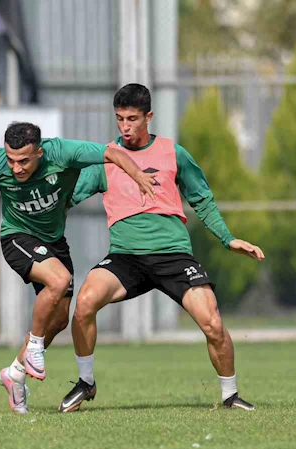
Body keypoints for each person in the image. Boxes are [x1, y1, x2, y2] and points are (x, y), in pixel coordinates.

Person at [0, 104, 158, 414]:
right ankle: (35, 347)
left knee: (60, 320)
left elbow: (113, 154)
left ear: (39, 152)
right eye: (11, 160)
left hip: (54, 243)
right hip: (17, 237)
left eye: (24, 161)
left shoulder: (62, 153)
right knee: (60, 280)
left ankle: (14, 374)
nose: (16, 168)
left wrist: (138, 176)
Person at [58, 84, 264, 413]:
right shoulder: (106, 159)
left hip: (174, 256)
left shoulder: (173, 153)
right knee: (84, 304)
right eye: (119, 119)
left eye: (132, 119)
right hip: (126, 258)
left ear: (149, 117)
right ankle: (86, 382)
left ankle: (230, 395)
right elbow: (67, 199)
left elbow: (203, 200)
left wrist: (228, 239)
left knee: (212, 323)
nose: (125, 127)